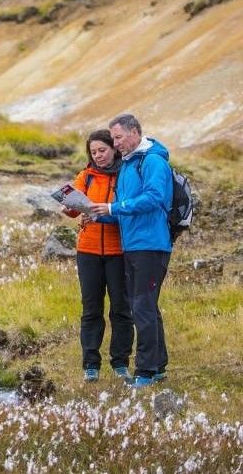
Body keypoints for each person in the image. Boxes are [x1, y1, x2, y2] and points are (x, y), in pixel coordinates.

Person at [89, 114, 172, 388]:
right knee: (147, 307)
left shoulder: (153, 161)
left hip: (152, 245)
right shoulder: (127, 165)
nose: (115, 143)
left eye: (119, 137)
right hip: (134, 246)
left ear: (135, 132)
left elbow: (155, 197)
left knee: (142, 308)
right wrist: (98, 214)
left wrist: (113, 208)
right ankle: (158, 368)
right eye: (113, 138)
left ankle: (145, 372)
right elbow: (123, 208)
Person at [64, 130, 132, 382]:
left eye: (102, 150)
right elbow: (73, 205)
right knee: (91, 309)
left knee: (121, 309)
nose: (98, 156)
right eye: (93, 152)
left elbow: (128, 209)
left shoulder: (126, 175)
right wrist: (68, 207)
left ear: (114, 148)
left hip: (119, 251)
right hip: (88, 251)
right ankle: (91, 365)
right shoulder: (86, 176)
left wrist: (104, 214)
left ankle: (121, 364)